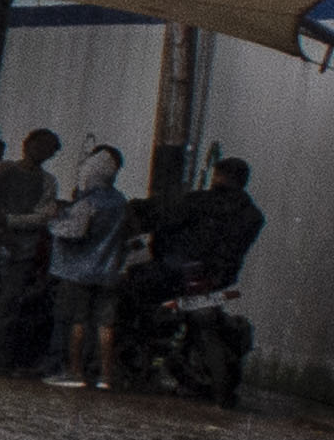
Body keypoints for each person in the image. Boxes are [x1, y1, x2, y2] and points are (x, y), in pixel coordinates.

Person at [41, 142, 133, 389]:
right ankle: (106, 375)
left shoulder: (89, 201)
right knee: (106, 325)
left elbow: (72, 232)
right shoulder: (119, 201)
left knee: (78, 321)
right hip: (110, 271)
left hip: (81, 273)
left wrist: (53, 219)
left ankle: (74, 372)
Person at [0, 125, 63, 367]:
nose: (42, 151)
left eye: (48, 149)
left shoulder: (48, 181)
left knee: (9, 304)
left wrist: (6, 221)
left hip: (21, 250)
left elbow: (42, 216)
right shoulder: (2, 169)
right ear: (27, 144)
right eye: (39, 145)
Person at [151, 155, 264, 294]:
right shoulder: (254, 216)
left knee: (135, 284)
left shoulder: (199, 200)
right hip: (220, 279)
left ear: (220, 176)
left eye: (216, 174)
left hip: (181, 269)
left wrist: (158, 251)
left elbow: (166, 227)